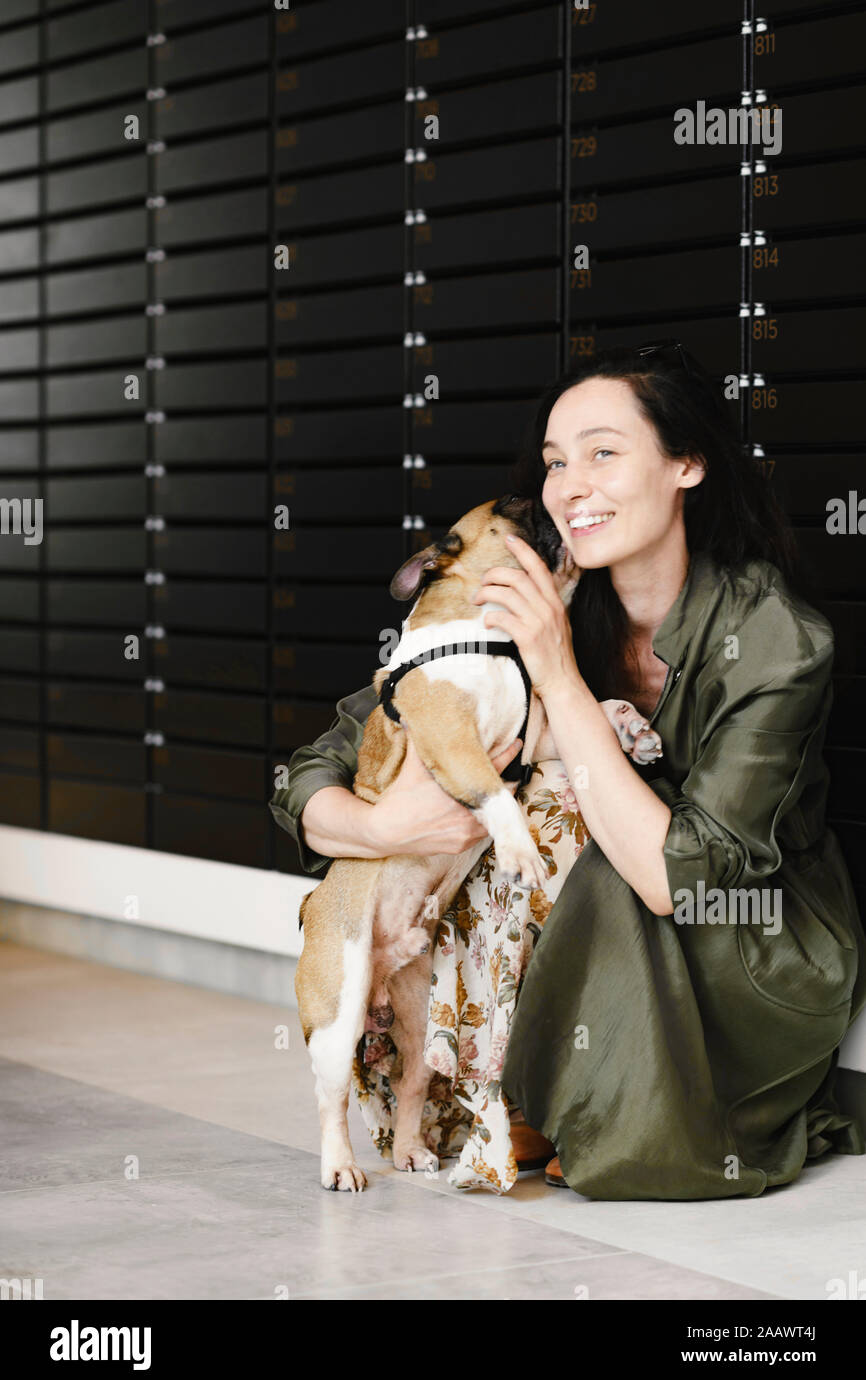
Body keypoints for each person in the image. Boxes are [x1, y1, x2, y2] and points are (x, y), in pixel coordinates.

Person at [270, 339, 866, 1199]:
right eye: (555, 462)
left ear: (687, 464)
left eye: (604, 454)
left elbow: (678, 878)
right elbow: (324, 764)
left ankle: (558, 1090)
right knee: (464, 789)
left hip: (743, 945)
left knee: (547, 797)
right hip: (600, 917)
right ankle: (521, 1079)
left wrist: (554, 670)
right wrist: (379, 827)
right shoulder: (534, 591)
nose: (569, 485)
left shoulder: (776, 639)